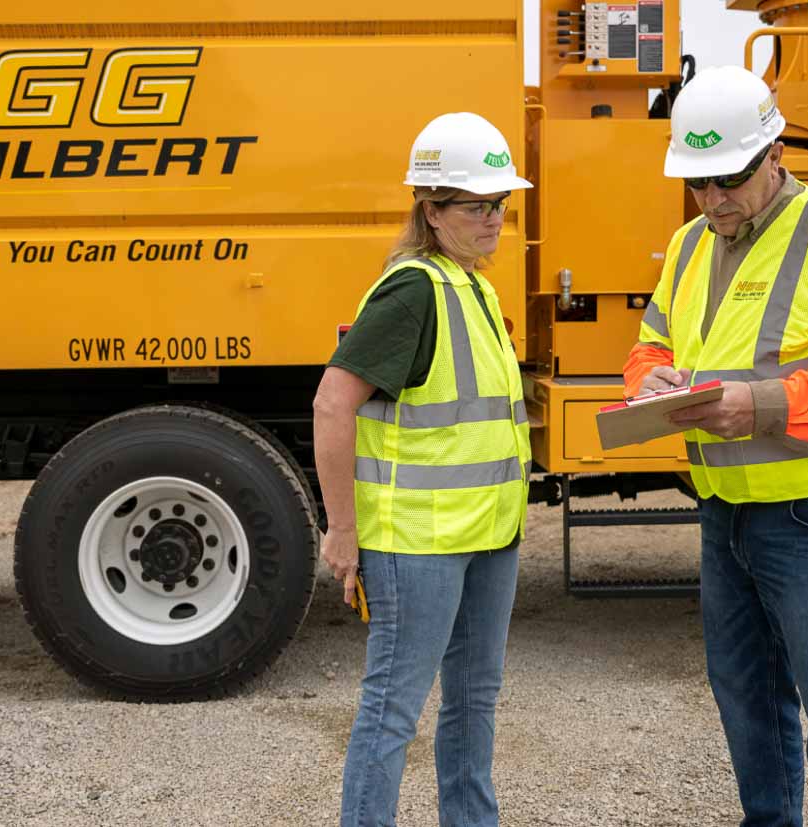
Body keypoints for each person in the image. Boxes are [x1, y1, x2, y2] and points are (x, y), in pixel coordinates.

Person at [625, 66, 808, 827]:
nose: (714, 199)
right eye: (698, 183)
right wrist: (653, 384)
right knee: (748, 699)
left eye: (729, 178)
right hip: (727, 512)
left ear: (775, 152)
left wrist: (763, 405)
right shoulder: (690, 243)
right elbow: (652, 343)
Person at [311, 111, 535, 827]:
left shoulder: (474, 286)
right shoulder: (413, 291)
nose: (494, 218)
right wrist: (342, 532)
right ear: (432, 212)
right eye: (476, 205)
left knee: (473, 702)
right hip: (417, 545)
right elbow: (331, 404)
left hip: (486, 538)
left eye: (500, 203)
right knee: (392, 711)